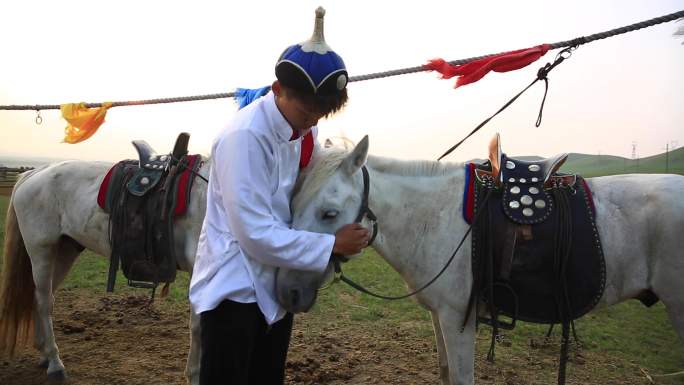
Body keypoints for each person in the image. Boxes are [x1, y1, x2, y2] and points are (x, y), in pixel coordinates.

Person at [188, 7, 370, 385]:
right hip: (234, 289)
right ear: (276, 90)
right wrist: (331, 244)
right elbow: (254, 233)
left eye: (323, 111)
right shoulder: (246, 138)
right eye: (307, 108)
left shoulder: (305, 131)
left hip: (274, 286)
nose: (314, 119)